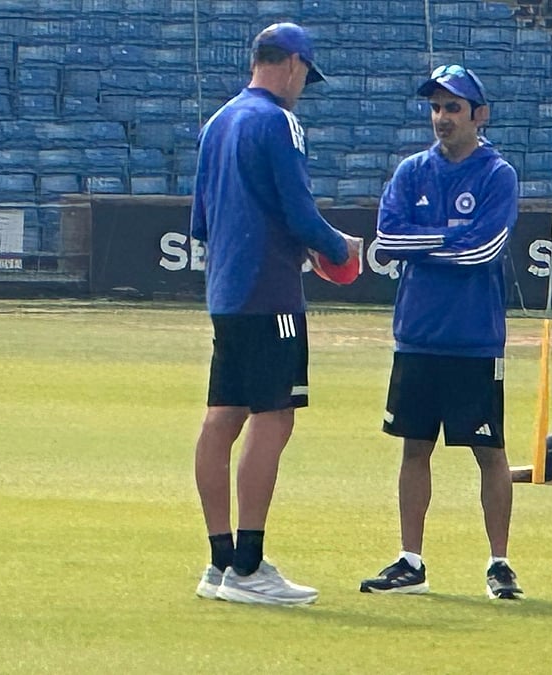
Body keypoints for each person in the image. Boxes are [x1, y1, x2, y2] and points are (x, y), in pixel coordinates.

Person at [189, 22, 361, 606]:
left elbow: (201, 223)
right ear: (290, 65)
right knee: (275, 417)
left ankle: (219, 563)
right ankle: (249, 564)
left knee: (221, 419)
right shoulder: (279, 121)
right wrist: (339, 249)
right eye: (306, 76)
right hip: (270, 294)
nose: (304, 87)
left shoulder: (217, 122)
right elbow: (300, 211)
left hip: (225, 292)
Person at [359, 65, 524, 600]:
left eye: (453, 108)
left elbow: (484, 250)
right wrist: (448, 237)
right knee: (413, 449)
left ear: (480, 115)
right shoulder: (411, 172)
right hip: (418, 335)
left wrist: (423, 240)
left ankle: (500, 564)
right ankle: (411, 561)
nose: (442, 118)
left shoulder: (497, 175)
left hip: (474, 338)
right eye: (436, 108)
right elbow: (384, 240)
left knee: (489, 451)